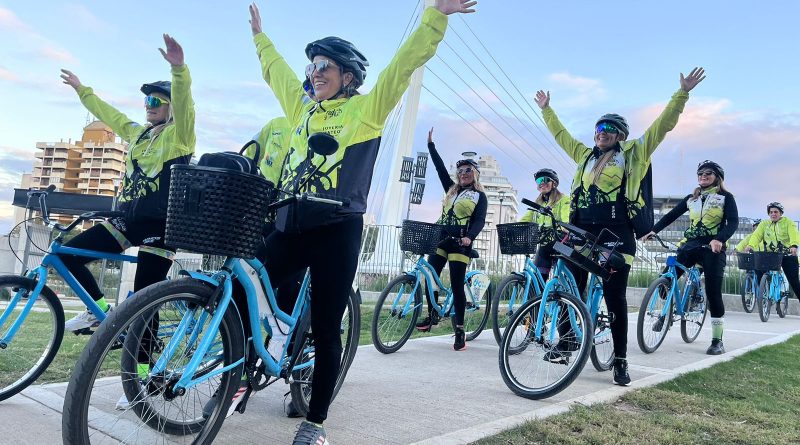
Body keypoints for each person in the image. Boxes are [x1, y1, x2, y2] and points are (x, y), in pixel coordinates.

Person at [244, 2, 477, 443]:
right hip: (291, 222)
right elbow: (275, 73)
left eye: (324, 66)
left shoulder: (367, 111)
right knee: (246, 284)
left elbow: (405, 64)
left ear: (348, 76)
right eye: (311, 66)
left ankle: (315, 423)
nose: (314, 73)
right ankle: (261, 351)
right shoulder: (304, 110)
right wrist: (261, 39)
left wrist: (435, 15)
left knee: (328, 325)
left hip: (337, 229)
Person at [534, 67, 706, 386]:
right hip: (581, 231)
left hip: (617, 235)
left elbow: (662, 126)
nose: (603, 132)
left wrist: (681, 94)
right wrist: (547, 110)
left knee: (614, 296)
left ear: (620, 135)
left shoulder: (634, 154)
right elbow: (561, 136)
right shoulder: (585, 155)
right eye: (600, 127)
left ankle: (621, 359)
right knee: (567, 284)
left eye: (610, 128)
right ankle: (568, 341)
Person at [59, 34, 195, 409]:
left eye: (157, 101)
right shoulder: (138, 135)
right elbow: (111, 115)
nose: (149, 106)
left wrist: (179, 70)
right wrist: (82, 90)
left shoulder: (180, 137)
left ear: (170, 108)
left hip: (161, 226)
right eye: (147, 101)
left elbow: (185, 106)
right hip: (128, 219)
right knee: (70, 255)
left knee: (143, 306)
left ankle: (145, 381)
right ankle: (98, 311)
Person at [642, 161, 738, 355]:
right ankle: (669, 310)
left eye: (708, 173)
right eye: (700, 173)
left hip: (712, 248)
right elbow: (670, 216)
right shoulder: (691, 198)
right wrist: (653, 230)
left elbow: (733, 222)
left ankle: (717, 340)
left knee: (713, 293)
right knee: (666, 279)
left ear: (717, 177)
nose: (703, 176)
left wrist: (719, 239)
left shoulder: (726, 197)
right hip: (691, 245)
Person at [413, 128, 487, 351]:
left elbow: (480, 220)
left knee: (456, 284)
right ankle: (432, 314)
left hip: (460, 242)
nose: (463, 173)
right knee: (430, 275)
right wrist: (431, 146)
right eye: (460, 170)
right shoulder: (452, 190)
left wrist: (470, 238)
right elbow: (439, 168)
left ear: (475, 174)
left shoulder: (479, 196)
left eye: (468, 170)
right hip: (441, 237)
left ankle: (460, 330)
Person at [519, 168, 570, 278]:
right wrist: (515, 227)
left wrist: (564, 228)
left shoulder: (564, 200)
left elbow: (566, 220)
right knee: (538, 278)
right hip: (544, 243)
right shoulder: (538, 203)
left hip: (560, 242)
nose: (541, 183)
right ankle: (539, 295)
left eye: (545, 180)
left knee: (561, 279)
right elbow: (526, 218)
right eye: (538, 181)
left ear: (554, 183)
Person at [746, 202, 800, 303]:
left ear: (780, 213)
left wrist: (793, 245)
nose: (773, 214)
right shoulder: (764, 224)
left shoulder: (788, 222)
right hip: (771, 255)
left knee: (794, 282)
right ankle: (765, 292)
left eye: (776, 212)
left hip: (787, 254)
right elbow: (757, 235)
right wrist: (751, 245)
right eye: (771, 212)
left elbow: (794, 233)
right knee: (758, 269)